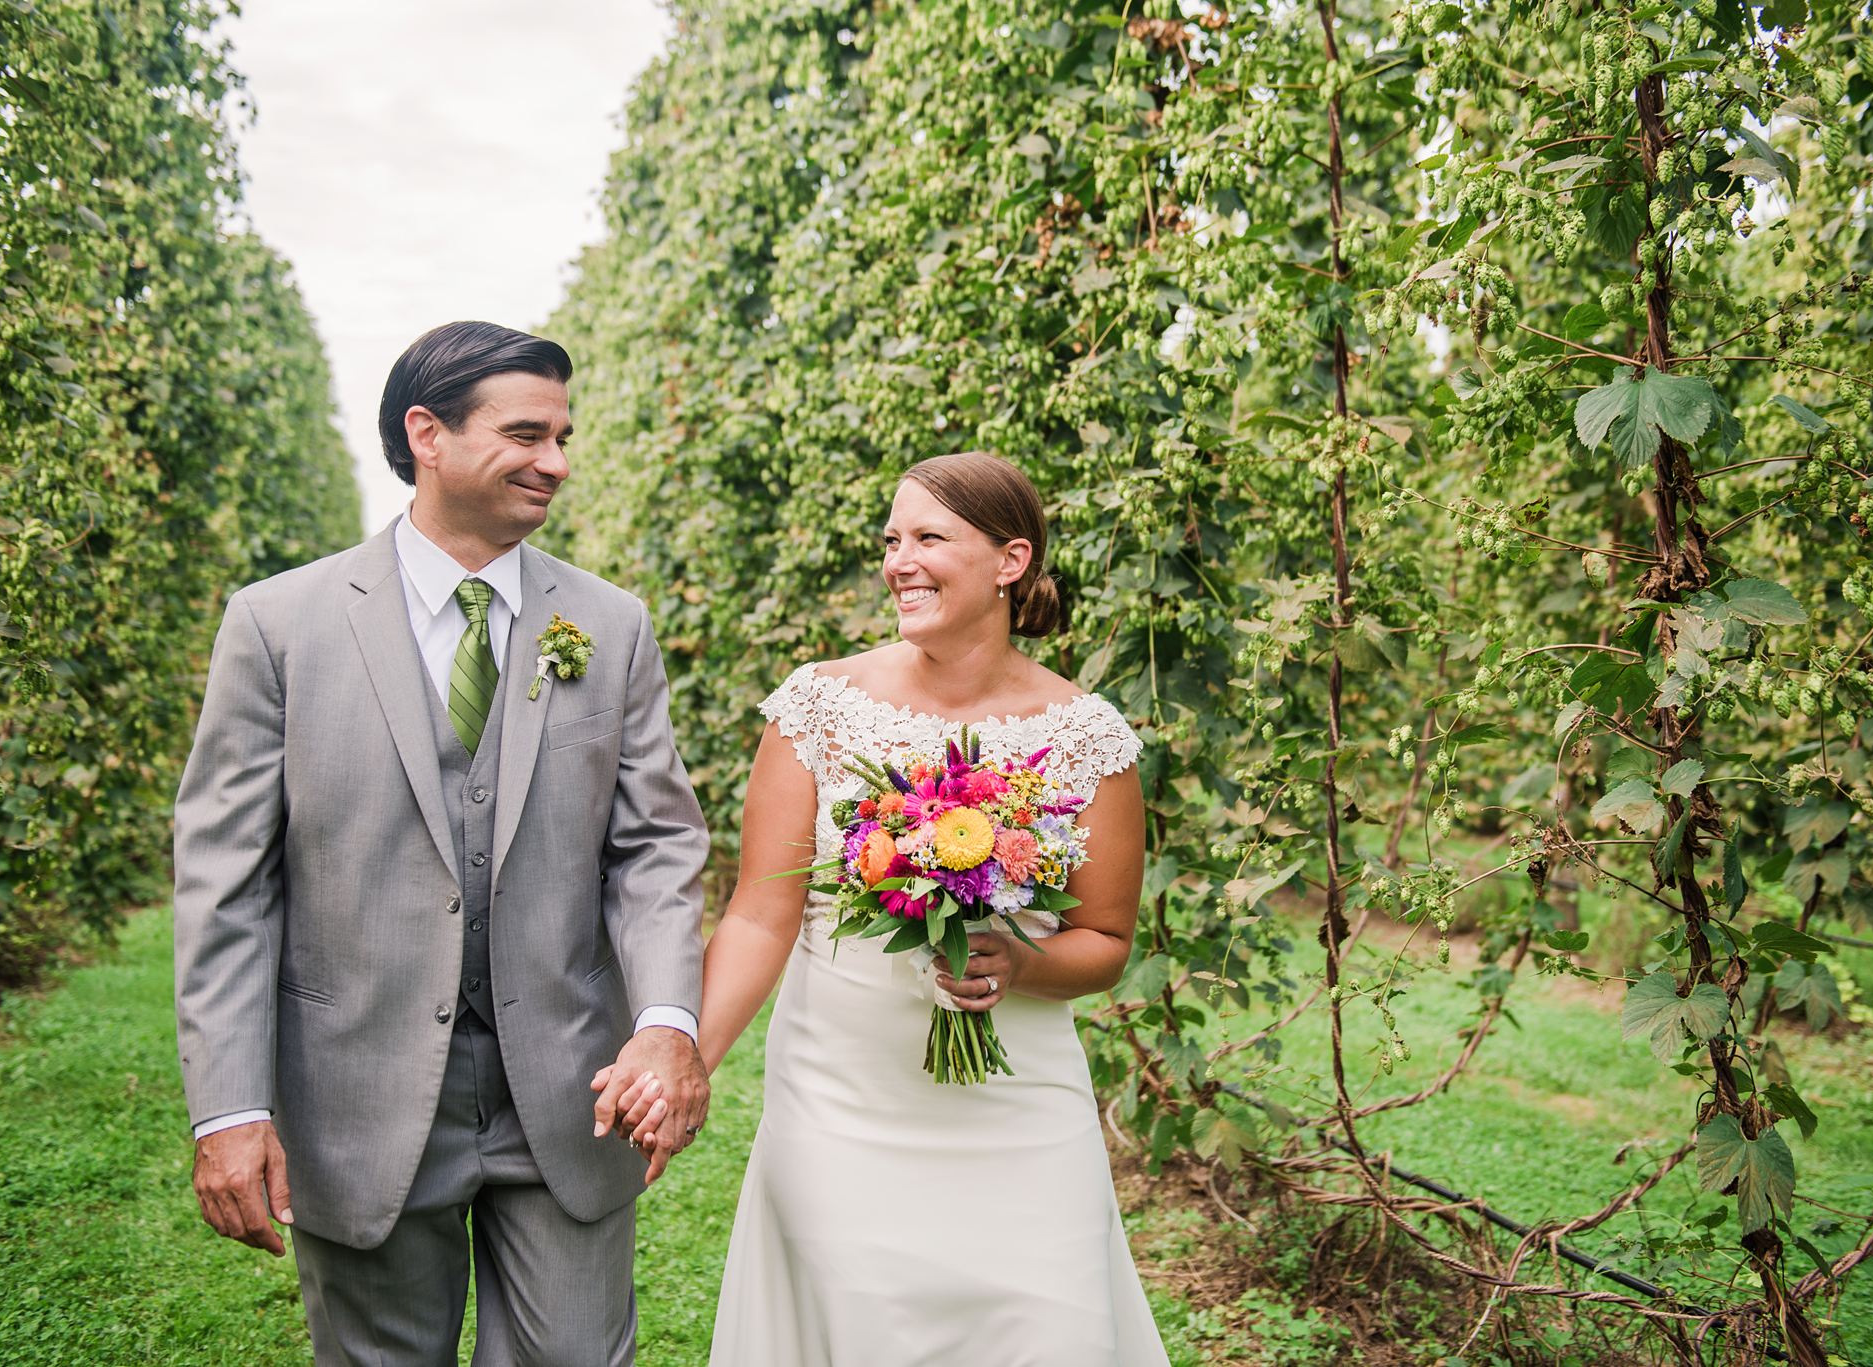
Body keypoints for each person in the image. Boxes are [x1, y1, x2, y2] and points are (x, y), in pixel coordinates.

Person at [173, 320, 711, 1366]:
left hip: (568, 1087)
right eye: (525, 433)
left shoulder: (611, 624)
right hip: (356, 1092)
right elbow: (227, 887)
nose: (556, 460)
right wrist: (230, 1105)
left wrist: (663, 1020)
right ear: (427, 432)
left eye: (563, 434)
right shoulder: (277, 626)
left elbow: (653, 845)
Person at [687, 450, 1169, 1363]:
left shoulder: (1087, 736)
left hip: (1021, 1115)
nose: (898, 560)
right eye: (890, 539)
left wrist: (1021, 962)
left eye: (928, 538)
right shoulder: (819, 706)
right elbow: (759, 911)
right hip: (841, 1104)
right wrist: (689, 1060)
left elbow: (1105, 940)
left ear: (1010, 561)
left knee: (1050, 1333)